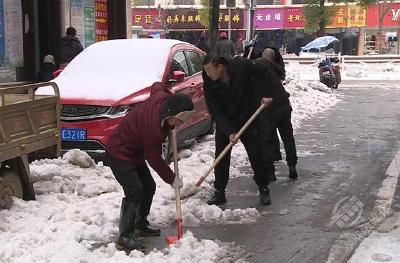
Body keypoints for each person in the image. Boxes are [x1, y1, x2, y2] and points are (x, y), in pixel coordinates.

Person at [105, 82, 194, 252]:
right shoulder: (154, 129)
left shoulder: (161, 98)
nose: (180, 124)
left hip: (134, 152)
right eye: (180, 120)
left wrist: (170, 92)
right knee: (135, 190)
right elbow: (154, 158)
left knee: (149, 186)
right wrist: (172, 179)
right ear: (171, 113)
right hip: (119, 153)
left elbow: (157, 86)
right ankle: (124, 237)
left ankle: (140, 223)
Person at [202, 52, 281, 206]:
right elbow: (215, 111)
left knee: (256, 154)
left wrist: (267, 94)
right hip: (226, 120)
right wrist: (229, 131)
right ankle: (219, 191)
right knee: (221, 157)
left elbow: (265, 71)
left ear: (221, 66)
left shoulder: (241, 66)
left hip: (248, 116)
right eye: (205, 70)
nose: (207, 73)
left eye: (210, 69)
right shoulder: (209, 83)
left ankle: (263, 187)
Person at [254, 48, 298, 181]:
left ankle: (270, 171)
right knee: (288, 137)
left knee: (265, 140)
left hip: (269, 109)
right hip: (284, 105)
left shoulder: (260, 68)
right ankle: (292, 166)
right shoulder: (277, 69)